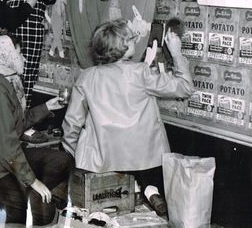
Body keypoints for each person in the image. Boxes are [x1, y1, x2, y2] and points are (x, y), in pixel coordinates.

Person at [61, 18, 194, 217]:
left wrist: (73, 155)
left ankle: (142, 190)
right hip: (143, 157)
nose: (134, 41)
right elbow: (184, 88)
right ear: (122, 47)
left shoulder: (86, 77)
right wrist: (176, 53)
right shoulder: (140, 73)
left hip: (99, 159)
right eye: (131, 39)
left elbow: (72, 123)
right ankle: (149, 190)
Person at [0, 35, 74, 227]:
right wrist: (33, 181)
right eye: (19, 53)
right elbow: (6, 145)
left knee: (63, 160)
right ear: (6, 56)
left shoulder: (5, 84)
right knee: (44, 214)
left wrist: (47, 107)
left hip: (3, 162)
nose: (23, 58)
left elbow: (16, 124)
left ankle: (26, 197)